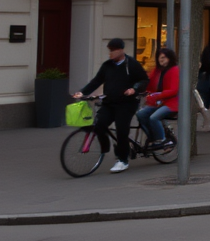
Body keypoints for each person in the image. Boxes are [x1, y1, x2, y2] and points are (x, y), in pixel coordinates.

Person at [74, 38, 149, 173]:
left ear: (121, 50)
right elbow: (96, 81)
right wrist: (82, 92)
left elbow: (143, 79)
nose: (111, 54)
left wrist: (134, 89)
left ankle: (123, 159)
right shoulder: (107, 65)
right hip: (109, 102)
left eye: (113, 50)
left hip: (127, 103)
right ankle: (105, 147)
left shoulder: (131, 64)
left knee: (121, 130)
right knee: (99, 124)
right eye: (110, 51)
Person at [135, 47, 179, 146]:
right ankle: (152, 136)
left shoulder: (174, 70)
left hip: (171, 103)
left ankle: (162, 141)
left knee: (154, 117)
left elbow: (174, 90)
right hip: (159, 102)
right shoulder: (157, 70)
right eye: (159, 58)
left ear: (169, 58)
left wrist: (157, 96)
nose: (161, 60)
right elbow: (149, 82)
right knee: (140, 115)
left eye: (163, 58)